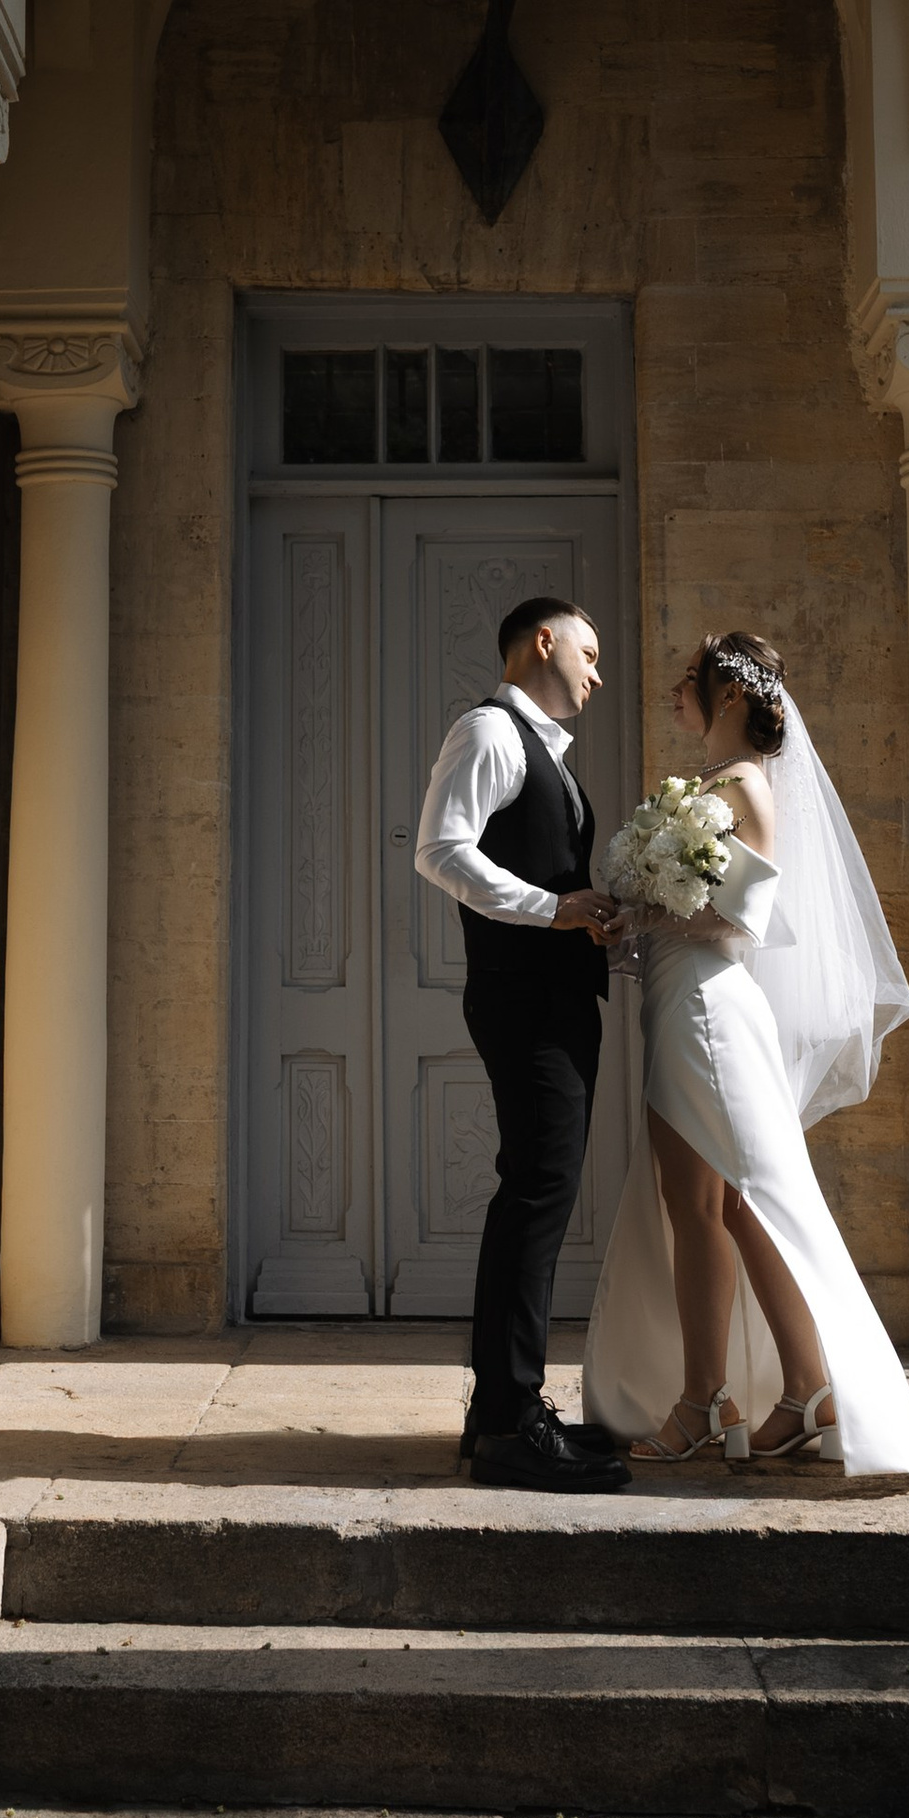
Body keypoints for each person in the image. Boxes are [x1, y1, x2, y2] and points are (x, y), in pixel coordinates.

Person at [583, 630, 909, 1483]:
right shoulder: (708, 785)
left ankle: (713, 1401)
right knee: (726, 1208)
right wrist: (636, 916)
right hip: (680, 1002)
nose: (677, 691)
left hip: (706, 1010)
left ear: (733, 698)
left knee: (724, 1205)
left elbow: (740, 924)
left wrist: (648, 909)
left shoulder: (744, 784)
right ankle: (801, 1391)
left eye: (691, 680)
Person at [412, 595, 629, 1493]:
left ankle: (500, 1411)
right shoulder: (490, 731)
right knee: (536, 1195)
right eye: (587, 649)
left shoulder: (538, 747)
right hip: (523, 1002)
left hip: (551, 997)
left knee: (536, 1193)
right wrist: (552, 908)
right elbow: (439, 849)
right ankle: (509, 1423)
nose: (597, 670)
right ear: (543, 642)